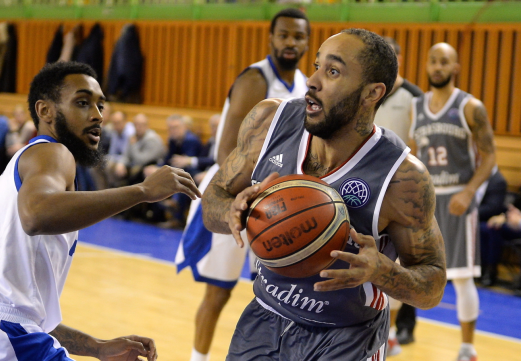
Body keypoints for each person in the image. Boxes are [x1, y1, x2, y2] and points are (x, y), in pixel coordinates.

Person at [0, 61, 201, 361]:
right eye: (82, 103)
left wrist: (96, 347)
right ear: (45, 111)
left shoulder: (25, 162)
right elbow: (36, 215)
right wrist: (142, 191)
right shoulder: (53, 152)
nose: (97, 115)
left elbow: (23, 313)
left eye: (100, 105)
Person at [202, 29, 446, 360]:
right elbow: (213, 199)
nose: (312, 81)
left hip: (346, 338)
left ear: (372, 93)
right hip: (263, 318)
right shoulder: (269, 121)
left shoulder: (402, 178)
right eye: (316, 66)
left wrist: (383, 272)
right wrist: (232, 212)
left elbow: (432, 286)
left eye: (332, 71)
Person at [174, 8, 310, 361]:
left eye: (298, 36)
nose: (291, 42)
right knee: (218, 294)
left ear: (308, 42)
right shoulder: (255, 79)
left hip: (271, 203)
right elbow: (225, 150)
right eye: (284, 35)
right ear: (272, 38)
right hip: (233, 195)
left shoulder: (304, 85)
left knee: (274, 294)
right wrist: (242, 196)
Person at [410, 42, 496, 361]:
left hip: (458, 200)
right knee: (408, 269)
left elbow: (489, 157)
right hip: (426, 203)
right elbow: (413, 155)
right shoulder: (416, 107)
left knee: (460, 277)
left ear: (455, 67)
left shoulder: (470, 106)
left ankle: (467, 348)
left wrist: (469, 191)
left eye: (444, 62)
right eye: (433, 61)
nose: (437, 67)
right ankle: (389, 336)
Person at [375, 36, 425, 355]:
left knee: (407, 261)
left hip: (402, 188)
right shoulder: (371, 91)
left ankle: (403, 326)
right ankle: (384, 329)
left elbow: (420, 143)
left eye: (393, 56)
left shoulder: (414, 97)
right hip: (373, 187)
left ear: (400, 59)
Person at [477, 168, 508, 287]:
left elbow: (493, 207)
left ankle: (489, 270)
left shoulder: (497, 180)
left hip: (488, 217)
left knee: (489, 228)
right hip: (503, 218)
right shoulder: (474, 177)